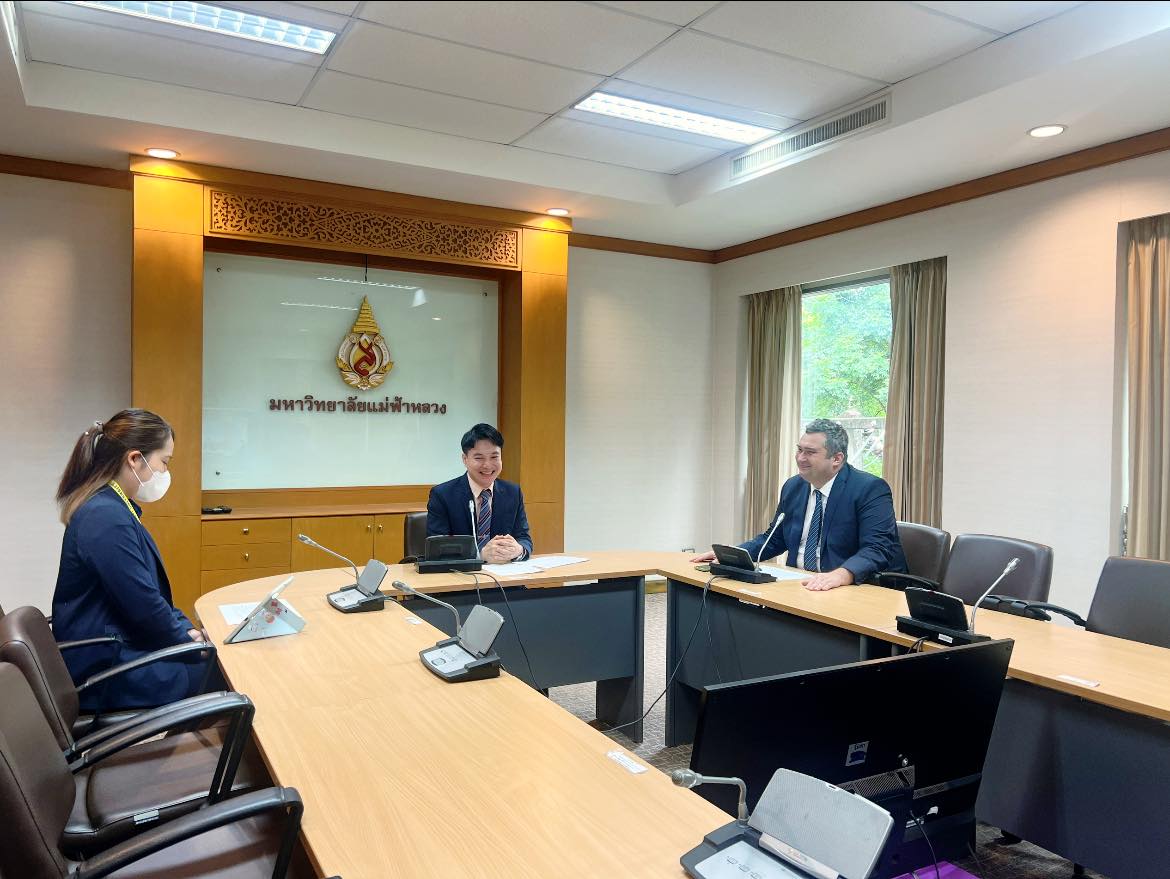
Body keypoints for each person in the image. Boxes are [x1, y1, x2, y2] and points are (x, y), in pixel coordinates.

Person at [53, 409, 212, 709]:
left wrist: (185, 631)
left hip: (117, 648)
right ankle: (194, 755)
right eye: (164, 462)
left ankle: (192, 750)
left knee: (213, 663)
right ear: (135, 459)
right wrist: (191, 644)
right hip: (106, 669)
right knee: (223, 671)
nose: (165, 473)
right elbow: (142, 604)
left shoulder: (113, 507)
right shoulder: (105, 516)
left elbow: (147, 597)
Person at [693, 419, 906, 591]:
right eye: (799, 450)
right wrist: (734, 554)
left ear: (837, 459)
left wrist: (842, 575)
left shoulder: (869, 489)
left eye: (810, 452)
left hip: (853, 588)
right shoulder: (794, 486)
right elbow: (775, 539)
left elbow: (877, 548)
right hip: (801, 584)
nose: (800, 458)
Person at [427, 423, 532, 564]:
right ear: (465, 459)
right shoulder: (442, 495)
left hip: (506, 580)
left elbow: (524, 538)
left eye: (494, 457)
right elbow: (439, 549)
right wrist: (480, 556)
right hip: (462, 581)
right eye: (479, 458)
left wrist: (518, 550)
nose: (487, 465)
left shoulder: (513, 492)